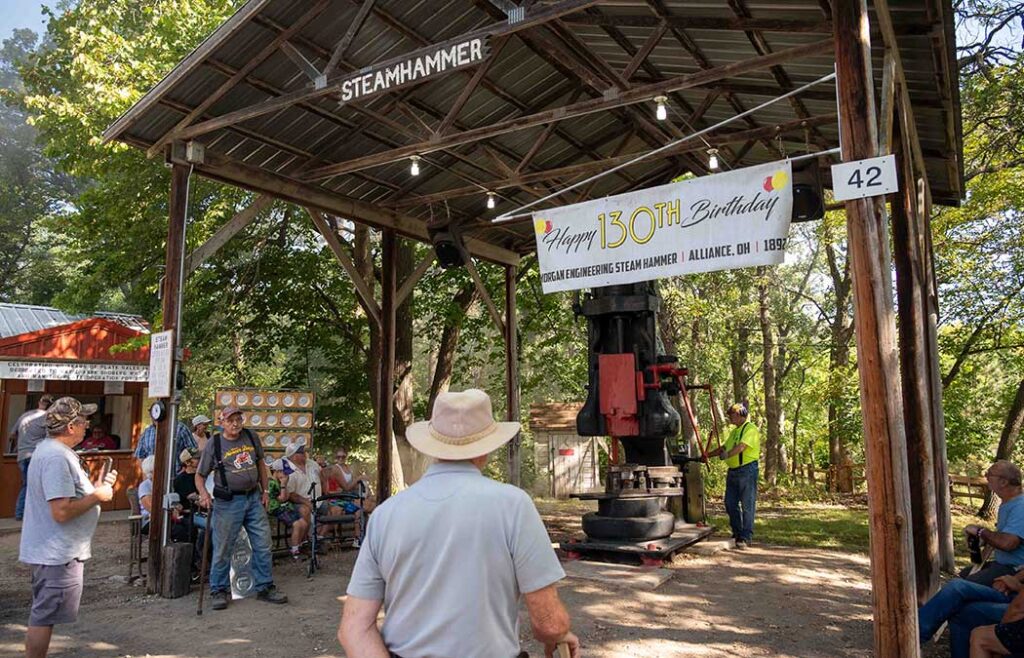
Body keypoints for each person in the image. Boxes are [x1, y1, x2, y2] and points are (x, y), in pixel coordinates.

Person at [339, 389, 579, 658]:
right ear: (488, 447)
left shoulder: (386, 514)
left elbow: (354, 628)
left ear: (432, 445)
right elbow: (548, 624)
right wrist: (560, 634)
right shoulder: (513, 506)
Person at [19, 396, 118, 658]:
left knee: (45, 613)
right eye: (84, 420)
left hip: (55, 551)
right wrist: (98, 496)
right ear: (71, 426)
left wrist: (95, 487)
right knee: (44, 615)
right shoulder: (55, 457)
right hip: (56, 553)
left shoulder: (53, 452)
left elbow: (68, 498)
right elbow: (61, 511)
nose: (88, 424)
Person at [195, 405, 287, 610]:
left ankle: (265, 587)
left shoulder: (251, 437)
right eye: (230, 420)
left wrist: (264, 492)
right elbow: (199, 475)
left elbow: (261, 465)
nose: (235, 424)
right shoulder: (215, 443)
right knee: (223, 547)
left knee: (263, 543)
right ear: (222, 422)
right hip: (228, 502)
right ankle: (218, 589)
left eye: (238, 419)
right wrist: (203, 494)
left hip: (253, 498)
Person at [960, 460, 1024, 586]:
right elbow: (1004, 536)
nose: (986, 476)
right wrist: (983, 539)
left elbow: (1008, 543)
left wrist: (980, 532)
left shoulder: (1020, 506)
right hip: (1003, 564)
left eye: (990, 474)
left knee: (961, 587)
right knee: (964, 575)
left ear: (1004, 482)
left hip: (1014, 569)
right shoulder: (1008, 503)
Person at [706, 402, 761, 549]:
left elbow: (741, 447)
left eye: (731, 415)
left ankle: (746, 536)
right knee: (730, 503)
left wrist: (727, 455)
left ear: (738, 414)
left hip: (747, 470)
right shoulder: (735, 432)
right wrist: (707, 455)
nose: (730, 418)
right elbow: (724, 447)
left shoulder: (750, 429)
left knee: (747, 504)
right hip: (734, 472)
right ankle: (737, 533)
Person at [9, 394, 55, 521]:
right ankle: (29, 514)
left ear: (39, 403)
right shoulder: (46, 418)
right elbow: (51, 437)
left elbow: (12, 435)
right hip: (35, 455)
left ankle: (20, 512)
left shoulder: (25, 416)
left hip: (22, 455)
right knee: (36, 485)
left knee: (27, 484)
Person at [268, 458, 308, 560]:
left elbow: (286, 497)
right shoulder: (272, 484)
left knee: (304, 523)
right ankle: (294, 550)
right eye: (285, 473)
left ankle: (298, 545)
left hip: (285, 507)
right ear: (277, 472)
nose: (287, 476)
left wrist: (284, 485)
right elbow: (281, 499)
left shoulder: (282, 482)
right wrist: (283, 485)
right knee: (297, 525)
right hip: (277, 508)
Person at [137, 455, 155, 535]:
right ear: (150, 471)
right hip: (149, 520)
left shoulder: (165, 484)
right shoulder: (145, 485)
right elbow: (151, 507)